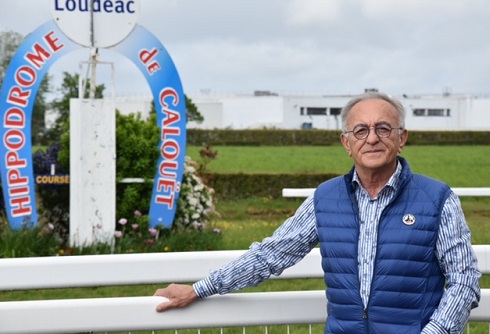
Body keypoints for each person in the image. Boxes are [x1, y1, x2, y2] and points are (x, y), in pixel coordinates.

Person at [154, 91, 481, 334]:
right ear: (346, 142)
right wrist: (199, 289)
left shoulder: (437, 198)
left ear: (401, 138)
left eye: (383, 128)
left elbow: (464, 279)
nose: (372, 139)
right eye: (361, 130)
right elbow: (271, 255)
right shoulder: (325, 199)